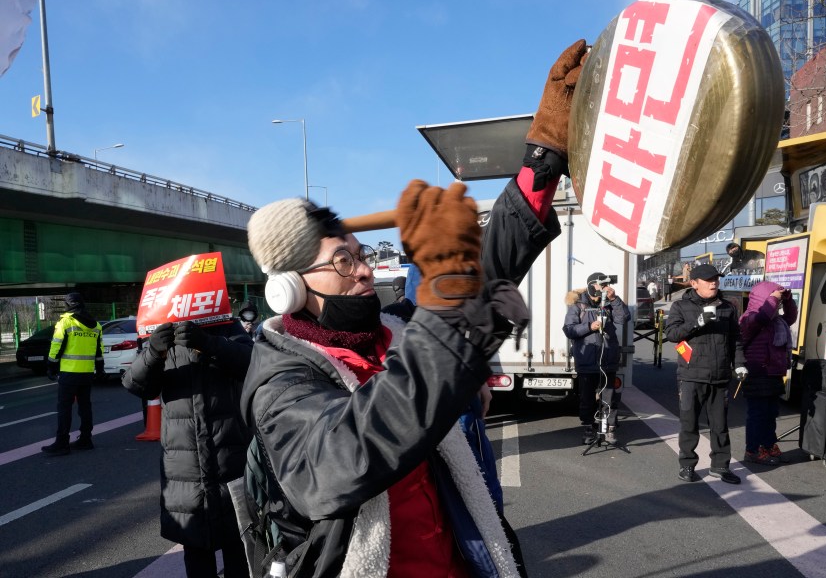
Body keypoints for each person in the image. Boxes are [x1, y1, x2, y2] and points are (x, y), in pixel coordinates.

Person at [239, 39, 587, 578]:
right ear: (288, 288)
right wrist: (446, 286)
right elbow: (347, 456)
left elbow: (482, 279)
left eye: (361, 256)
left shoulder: (395, 329)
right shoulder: (280, 379)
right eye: (341, 261)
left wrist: (541, 164)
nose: (361, 271)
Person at [122, 318, 253, 578]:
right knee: (196, 555)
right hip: (184, 469)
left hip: (232, 458)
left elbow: (254, 363)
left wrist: (210, 343)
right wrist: (154, 351)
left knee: (241, 550)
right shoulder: (162, 330)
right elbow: (135, 384)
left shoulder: (226, 324)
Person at [665, 264, 746, 484]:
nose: (714, 283)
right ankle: (688, 466)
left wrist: (739, 363)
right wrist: (698, 322)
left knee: (720, 426)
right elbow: (672, 334)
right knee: (689, 424)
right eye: (708, 280)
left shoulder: (727, 307)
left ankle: (720, 466)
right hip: (691, 376)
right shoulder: (681, 306)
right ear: (694, 283)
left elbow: (735, 339)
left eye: (716, 279)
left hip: (719, 376)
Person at [563, 273, 631, 445]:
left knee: (610, 396)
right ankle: (588, 428)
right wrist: (589, 326)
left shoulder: (608, 303)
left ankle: (609, 428)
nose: (604, 288)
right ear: (593, 286)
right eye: (602, 285)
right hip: (587, 360)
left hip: (608, 358)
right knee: (587, 397)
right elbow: (569, 330)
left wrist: (614, 298)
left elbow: (623, 318)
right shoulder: (578, 306)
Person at [738, 281, 797, 465]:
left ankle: (768, 445)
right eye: (773, 298)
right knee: (758, 413)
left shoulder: (777, 320)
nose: (777, 303)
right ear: (762, 298)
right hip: (757, 371)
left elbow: (791, 317)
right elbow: (762, 318)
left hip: (773, 372)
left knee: (771, 412)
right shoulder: (749, 318)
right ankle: (752, 450)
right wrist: (773, 297)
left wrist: (787, 300)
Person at [41, 292, 104, 456]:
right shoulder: (96, 325)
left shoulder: (66, 322)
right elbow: (99, 351)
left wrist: (51, 367)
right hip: (87, 373)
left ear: (68, 305)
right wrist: (100, 369)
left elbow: (56, 346)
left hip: (69, 372)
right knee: (85, 407)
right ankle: (86, 439)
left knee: (64, 408)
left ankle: (62, 443)